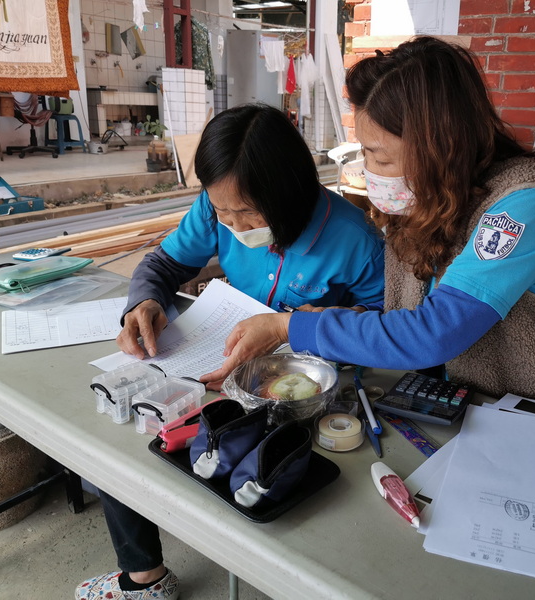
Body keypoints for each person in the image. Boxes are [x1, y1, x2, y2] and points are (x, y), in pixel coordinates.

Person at [203, 37, 535, 433]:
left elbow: (432, 333)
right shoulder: (428, 200)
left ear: (440, 146)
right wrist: (346, 318)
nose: (369, 171)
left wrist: (288, 325)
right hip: (472, 412)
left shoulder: (523, 207)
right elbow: (403, 315)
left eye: (379, 157)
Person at [75, 103, 385, 600]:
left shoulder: (355, 240)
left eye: (249, 212)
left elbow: (385, 325)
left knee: (268, 480)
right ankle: (144, 578)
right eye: (224, 212)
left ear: (291, 192)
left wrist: (301, 325)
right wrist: (145, 302)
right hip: (214, 368)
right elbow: (164, 263)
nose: (234, 224)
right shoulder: (215, 208)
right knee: (123, 441)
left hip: (301, 392)